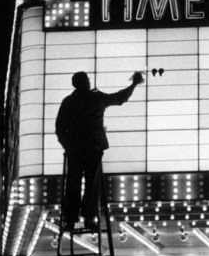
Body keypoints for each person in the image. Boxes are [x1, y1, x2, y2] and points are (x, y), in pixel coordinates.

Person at [56, 71, 144, 231]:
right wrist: (134, 84)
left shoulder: (68, 102)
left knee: (72, 183)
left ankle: (69, 219)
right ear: (86, 83)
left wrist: (67, 145)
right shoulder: (96, 98)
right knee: (92, 183)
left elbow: (59, 127)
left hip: (75, 149)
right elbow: (120, 98)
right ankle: (89, 217)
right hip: (93, 147)